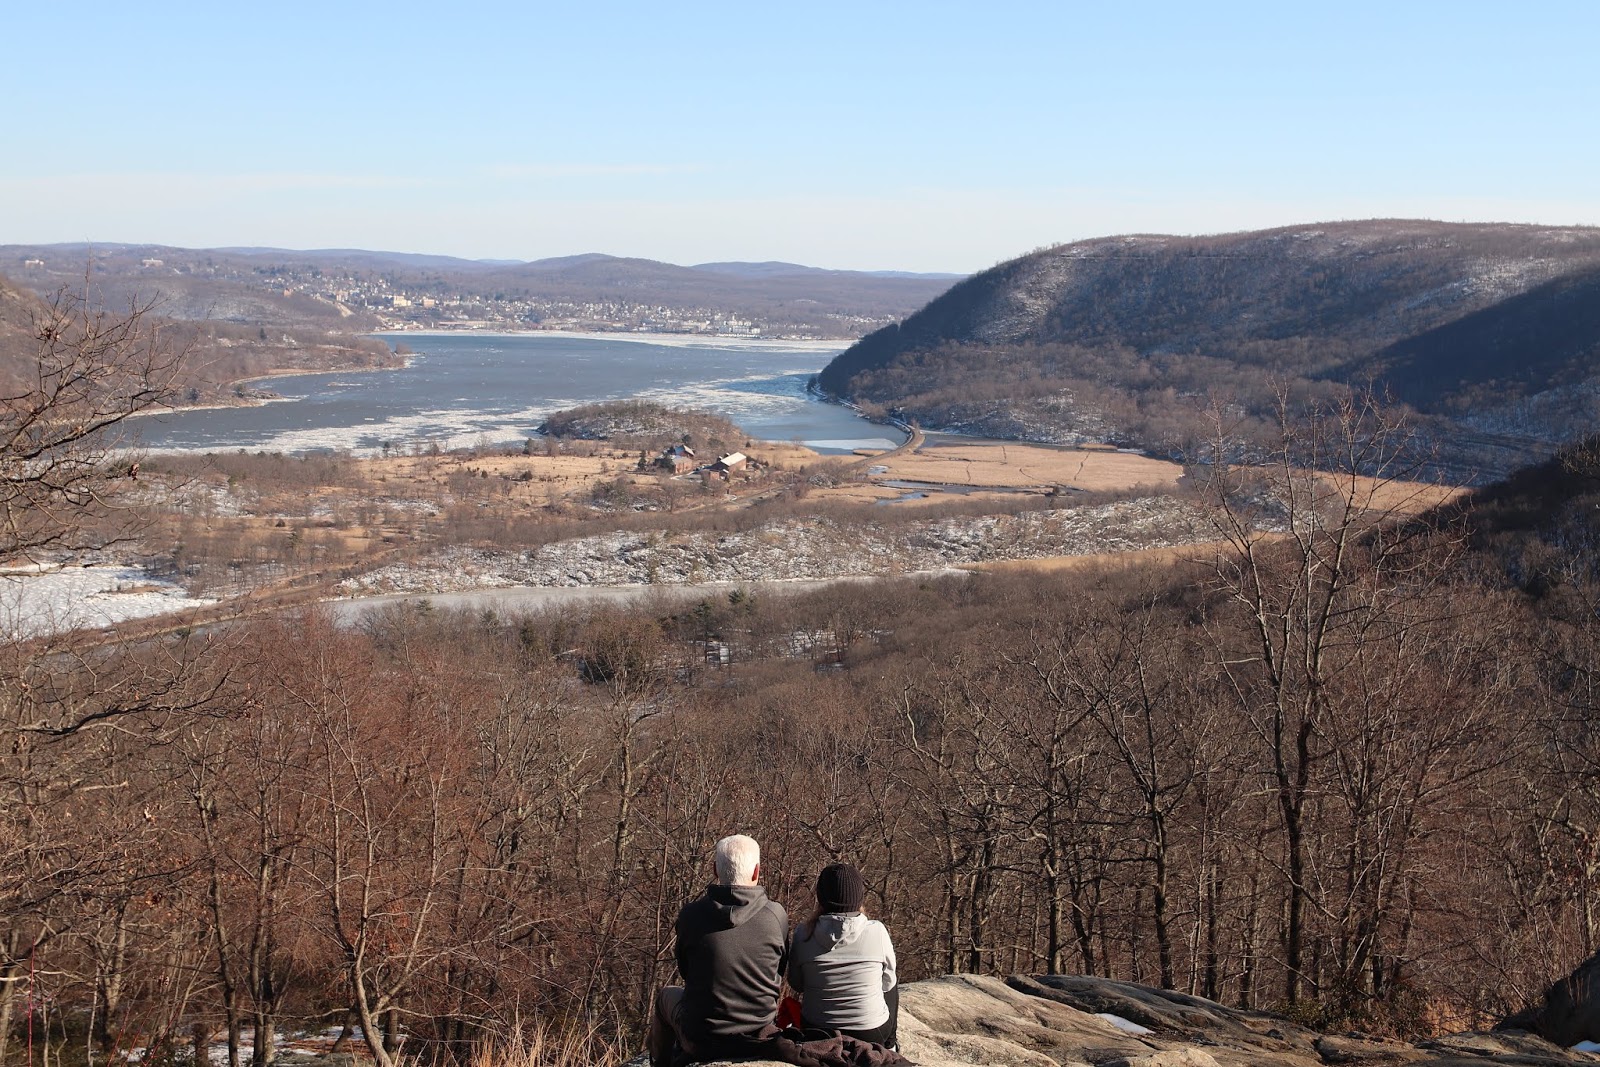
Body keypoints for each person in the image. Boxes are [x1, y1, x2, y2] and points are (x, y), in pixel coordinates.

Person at [649, 834, 789, 1067]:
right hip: (757, 1036)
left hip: (702, 1041)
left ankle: (660, 1063)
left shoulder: (691, 915)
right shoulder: (776, 916)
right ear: (756, 872)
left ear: (715, 870)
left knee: (665, 996)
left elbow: (686, 971)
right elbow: (779, 969)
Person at [788, 862, 898, 1048]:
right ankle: (889, 1046)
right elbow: (887, 983)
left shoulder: (803, 934)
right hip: (871, 1033)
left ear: (821, 897)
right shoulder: (877, 931)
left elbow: (797, 984)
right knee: (892, 984)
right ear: (859, 897)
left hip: (817, 1032)